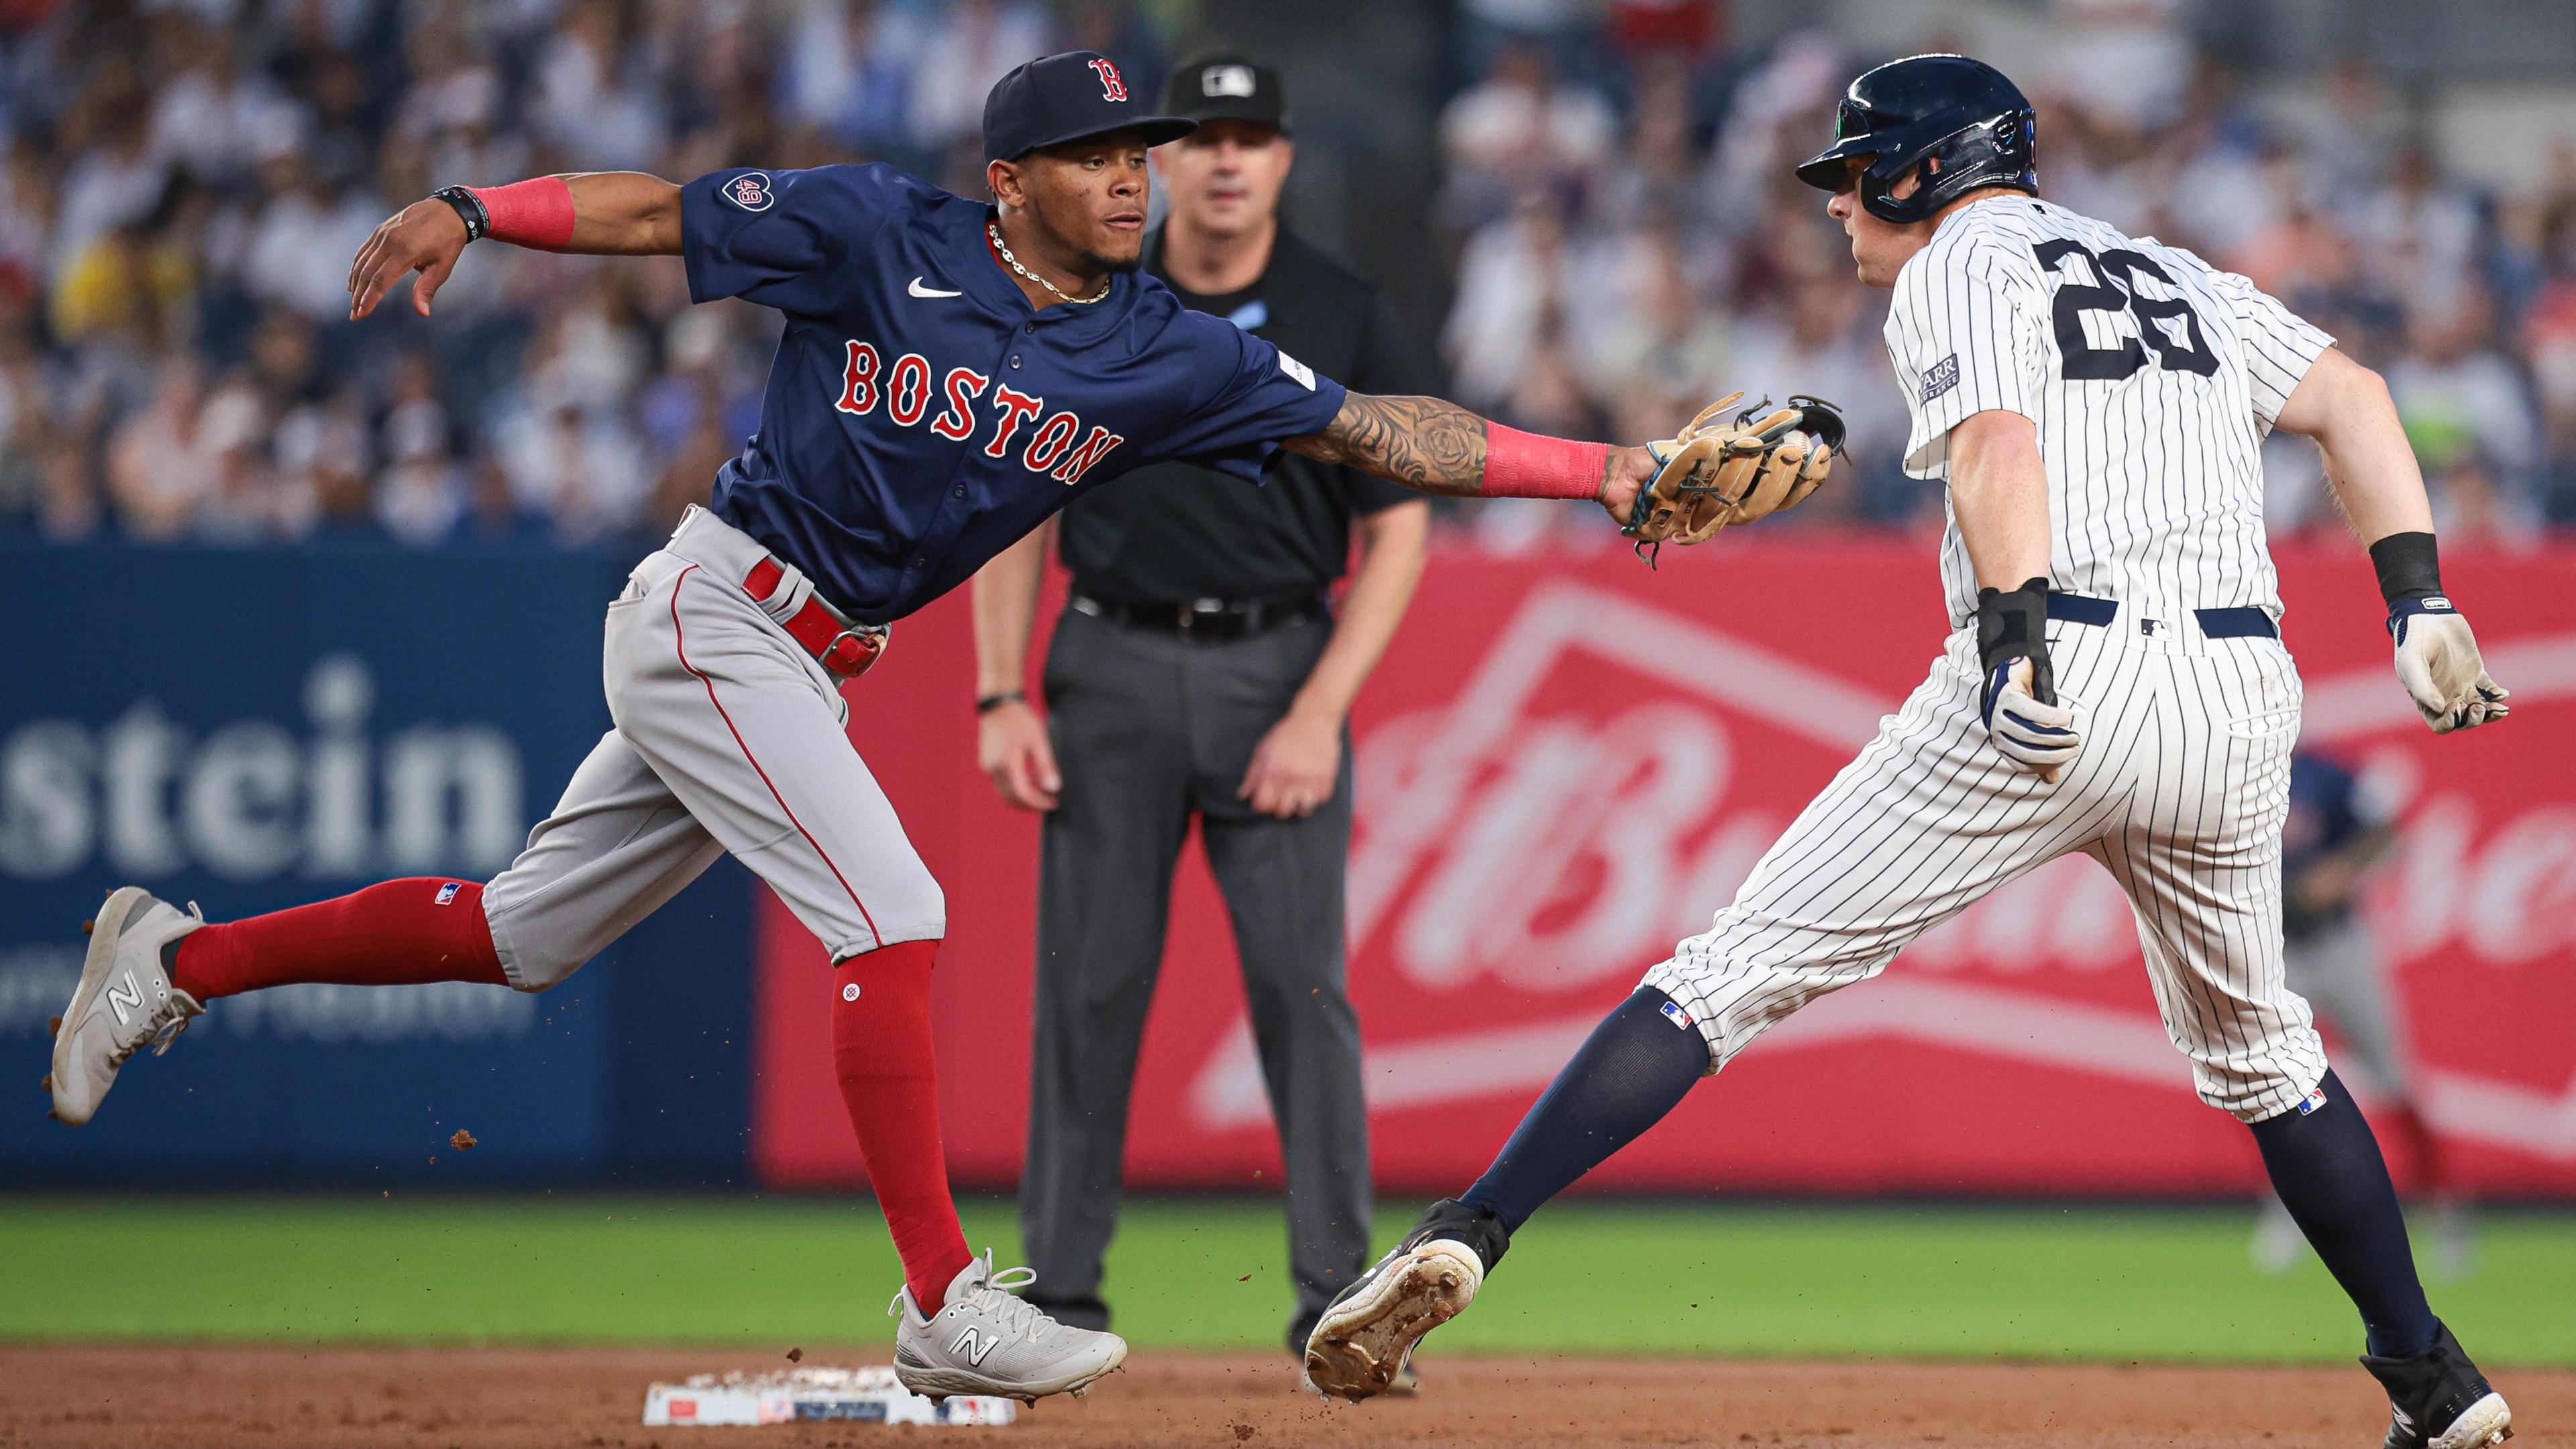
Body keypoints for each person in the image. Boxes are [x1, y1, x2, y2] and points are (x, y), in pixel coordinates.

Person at [46, 50, 1739, 1406]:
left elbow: (1385, 430)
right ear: (1011, 183)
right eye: (1097, 156)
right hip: (723, 606)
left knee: (517, 933)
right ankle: (943, 1299)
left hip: (804, 650)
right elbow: (659, 214)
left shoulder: (1165, 348)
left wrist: (1599, 472)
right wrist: (478, 208)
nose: (1134, 175)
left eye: (1140, 151)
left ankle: (175, 963)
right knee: (898, 909)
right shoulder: (881, 233)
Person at [1301, 54, 2518, 1449]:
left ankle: (1469, 1233)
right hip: (2240, 690)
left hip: (2062, 654)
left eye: (1849, 174)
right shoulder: (2172, 269)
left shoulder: (1957, 261)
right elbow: (2356, 396)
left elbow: (2002, 444)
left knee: (1729, 975)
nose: (1834, 204)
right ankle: (2435, 1382)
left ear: (1923, 171)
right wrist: (2420, 595)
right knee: (2264, 1056)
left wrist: (2012, 648)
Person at [969, 52, 1432, 1377]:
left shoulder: (1344, 311)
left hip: (1277, 663)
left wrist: (1321, 710)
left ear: (1284, 160)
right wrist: (1002, 690)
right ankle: (1057, 1297)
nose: (1226, 160)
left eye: (1253, 138)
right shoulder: (1088, 298)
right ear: (1167, 162)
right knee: (1088, 993)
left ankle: (1338, 1298)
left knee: (1306, 999)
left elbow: (1396, 534)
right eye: (1203, 138)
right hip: (1107, 662)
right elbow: (1019, 505)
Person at [2251, 750, 2473, 1279]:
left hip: (2339, 944)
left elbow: (2387, 832)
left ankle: (2443, 1214)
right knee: (2271, 1088)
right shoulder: (2231, 769)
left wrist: (2344, 871)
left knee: (2393, 1080)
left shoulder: (2323, 774)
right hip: (2277, 948)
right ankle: (2289, 1215)